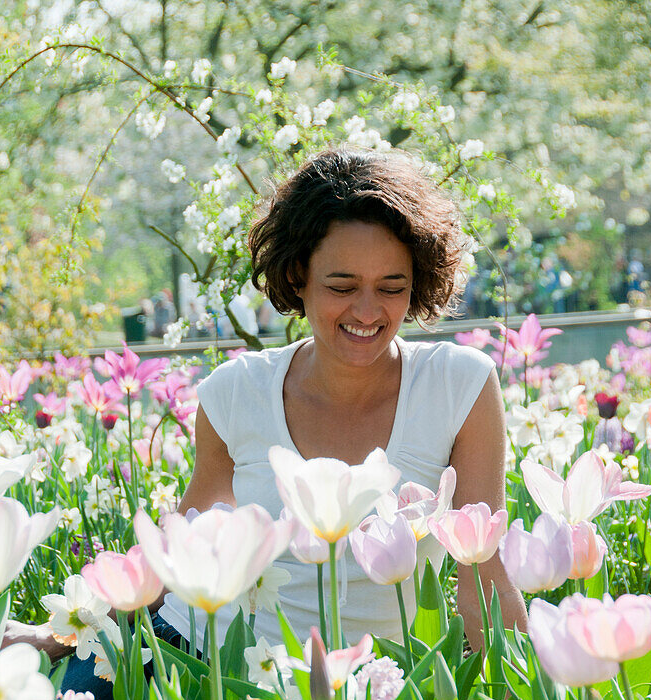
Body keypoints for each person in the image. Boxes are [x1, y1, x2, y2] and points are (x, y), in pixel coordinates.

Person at [158, 148, 526, 651]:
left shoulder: (457, 387)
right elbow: (179, 554)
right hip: (215, 669)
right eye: (342, 286)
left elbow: (486, 575)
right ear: (297, 278)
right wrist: (71, 631)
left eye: (391, 287)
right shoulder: (235, 392)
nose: (368, 311)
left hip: (378, 691)